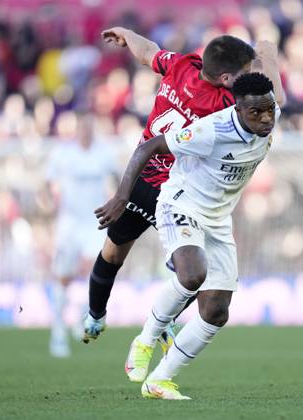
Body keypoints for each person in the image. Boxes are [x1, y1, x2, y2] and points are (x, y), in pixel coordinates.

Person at [95, 72, 281, 399]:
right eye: (257, 113)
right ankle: (146, 340)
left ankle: (160, 380)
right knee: (193, 273)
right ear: (237, 109)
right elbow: (148, 148)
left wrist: (267, 49)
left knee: (216, 311)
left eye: (269, 109)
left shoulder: (270, 110)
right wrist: (122, 197)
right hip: (181, 202)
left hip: (218, 218)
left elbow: (274, 85)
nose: (267, 118)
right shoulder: (211, 130)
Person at [46, 113, 119, 358]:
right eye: (82, 127)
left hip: (94, 222)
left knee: (92, 270)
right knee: (63, 276)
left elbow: (118, 178)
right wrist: (48, 203)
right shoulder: (62, 153)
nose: (86, 131)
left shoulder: (104, 152)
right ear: (77, 129)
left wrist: (118, 203)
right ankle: (58, 331)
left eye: (89, 126)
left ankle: (79, 316)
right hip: (69, 222)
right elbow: (47, 183)